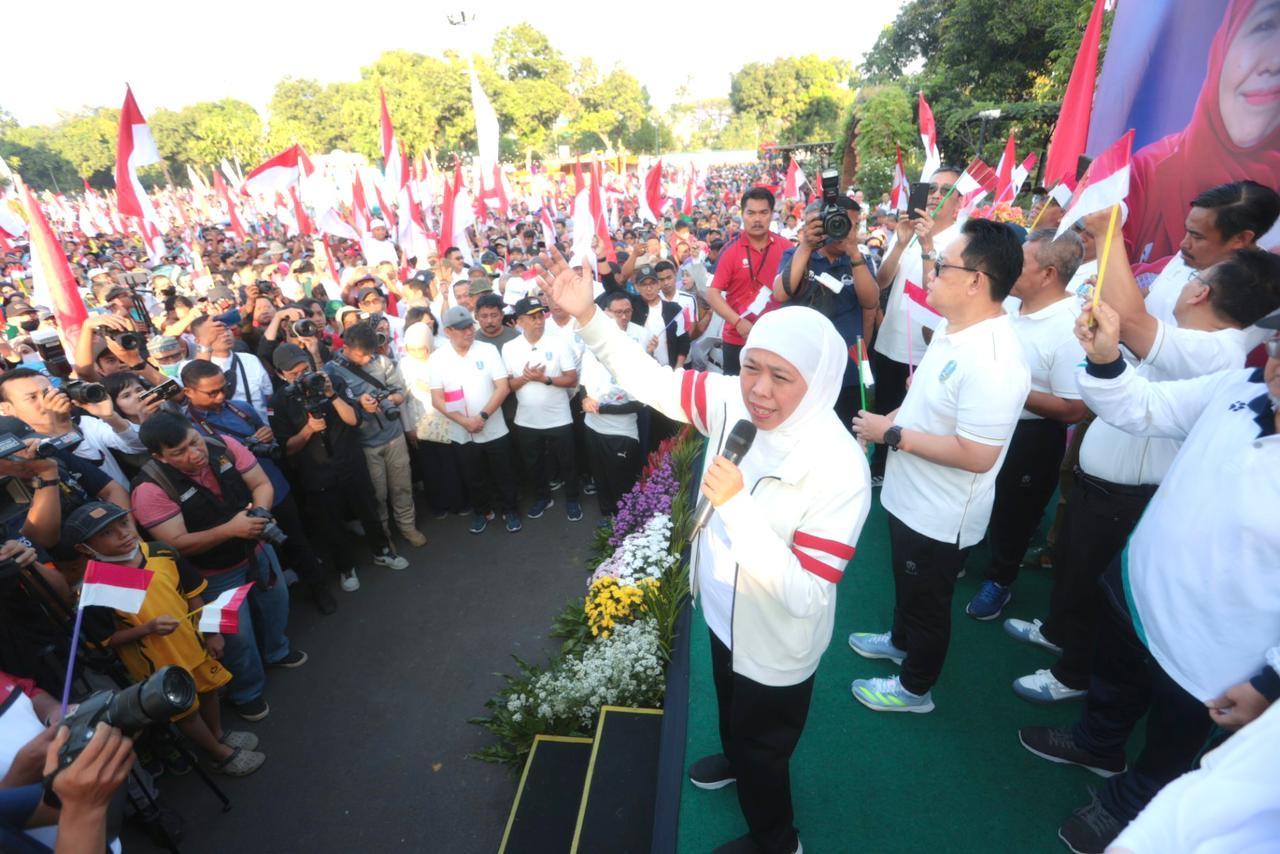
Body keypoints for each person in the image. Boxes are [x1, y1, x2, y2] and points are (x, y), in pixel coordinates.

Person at [543, 249, 871, 854]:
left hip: (775, 640)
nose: (759, 392)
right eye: (752, 367)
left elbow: (805, 595)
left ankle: (778, 840)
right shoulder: (733, 400)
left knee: (766, 746)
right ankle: (739, 757)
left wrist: (737, 508)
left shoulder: (839, 466)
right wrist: (588, 315)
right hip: (722, 611)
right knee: (731, 708)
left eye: (782, 376)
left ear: (820, 379)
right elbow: (651, 381)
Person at [1018, 301, 1280, 854]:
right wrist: (1107, 358)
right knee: (1113, 684)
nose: (1277, 364)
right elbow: (1144, 407)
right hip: (1141, 593)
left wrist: (1270, 683)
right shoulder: (1241, 385)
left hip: (1217, 653)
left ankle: (1131, 803)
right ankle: (1097, 742)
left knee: (1174, 742)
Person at [1006, 240, 1280, 703]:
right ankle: (1062, 639)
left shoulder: (1215, 354)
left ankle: (1072, 675)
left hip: (1126, 499)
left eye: (1193, 276)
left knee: (1098, 594)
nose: (1184, 276)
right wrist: (1105, 357)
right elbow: (1134, 402)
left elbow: (1137, 362)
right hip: (1106, 491)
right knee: (1077, 576)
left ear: (1199, 294)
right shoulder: (1214, 362)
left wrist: (1103, 231)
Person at [849, 218, 1030, 712]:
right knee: (909, 586)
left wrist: (893, 435)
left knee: (929, 603)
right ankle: (900, 641)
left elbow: (978, 454)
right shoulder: (957, 332)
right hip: (913, 499)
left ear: (977, 280)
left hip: (940, 514)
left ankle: (914, 688)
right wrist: (895, 419)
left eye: (942, 265)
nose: (931, 273)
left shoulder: (994, 359)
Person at [63, 502, 265, 776]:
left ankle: (218, 734)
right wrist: (147, 629)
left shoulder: (161, 552)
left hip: (193, 643)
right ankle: (219, 755)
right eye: (107, 533)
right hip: (157, 663)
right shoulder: (95, 586)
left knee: (208, 689)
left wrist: (211, 632)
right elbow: (104, 640)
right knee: (184, 711)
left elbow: (194, 591)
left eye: (123, 523)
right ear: (85, 548)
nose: (123, 533)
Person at [131, 412, 306, 722]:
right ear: (160, 457)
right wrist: (230, 530)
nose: (195, 453)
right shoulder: (150, 489)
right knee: (238, 641)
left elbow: (261, 483)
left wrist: (261, 513)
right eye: (180, 452)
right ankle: (246, 692)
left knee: (276, 603)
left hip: (257, 549)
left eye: (194, 442)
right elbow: (175, 544)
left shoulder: (222, 445)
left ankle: (277, 651)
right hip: (212, 577)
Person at [964, 230, 1087, 621]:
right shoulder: (1011, 306)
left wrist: (1010, 388)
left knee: (1016, 513)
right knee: (976, 493)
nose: (1010, 269)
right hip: (987, 421)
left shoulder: (1072, 327)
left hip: (1032, 436)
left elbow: (1073, 409)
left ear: (1049, 274)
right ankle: (965, 554)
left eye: (1022, 263)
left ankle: (1000, 580)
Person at [1124, 0, 1280, 271]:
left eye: (1196, 236)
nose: (1274, 63)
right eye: (1264, 26)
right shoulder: (1147, 169)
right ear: (1223, 46)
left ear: (1244, 241)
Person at [179, 358, 336, 614]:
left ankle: (319, 588)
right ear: (188, 392)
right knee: (265, 552)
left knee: (297, 541)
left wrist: (265, 435)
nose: (221, 396)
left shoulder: (241, 408)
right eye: (212, 392)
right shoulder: (188, 429)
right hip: (239, 502)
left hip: (275, 486)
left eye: (224, 388)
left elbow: (270, 436)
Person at [269, 343, 408, 594]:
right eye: (294, 374)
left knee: (368, 508)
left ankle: (382, 551)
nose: (303, 376)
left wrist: (332, 395)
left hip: (349, 460)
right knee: (330, 523)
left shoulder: (331, 380)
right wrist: (309, 429)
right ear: (281, 375)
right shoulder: (280, 401)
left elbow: (353, 420)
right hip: (315, 471)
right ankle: (346, 567)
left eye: (305, 369)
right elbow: (286, 448)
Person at [869, 166, 964, 482]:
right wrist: (900, 243)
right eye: (932, 188)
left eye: (946, 190)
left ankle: (904, 476)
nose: (936, 195)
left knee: (914, 421)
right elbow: (881, 282)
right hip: (889, 343)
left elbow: (935, 297)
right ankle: (879, 469)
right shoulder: (908, 234)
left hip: (925, 351)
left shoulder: (960, 242)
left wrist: (927, 248)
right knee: (884, 410)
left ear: (959, 202)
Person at [771, 204, 881, 428]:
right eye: (839, 223)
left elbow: (871, 302)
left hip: (846, 371)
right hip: (802, 368)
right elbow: (780, 293)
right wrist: (806, 246)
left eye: (853, 225)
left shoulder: (861, 259)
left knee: (845, 434)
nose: (843, 230)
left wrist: (854, 254)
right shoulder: (797, 254)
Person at [325, 322, 426, 548]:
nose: (366, 360)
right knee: (376, 495)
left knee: (402, 487)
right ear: (347, 346)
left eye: (370, 354)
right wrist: (359, 404)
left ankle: (408, 526)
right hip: (365, 444)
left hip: (394, 436)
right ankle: (384, 536)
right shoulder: (332, 371)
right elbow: (335, 407)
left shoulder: (382, 362)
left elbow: (400, 393)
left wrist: (389, 400)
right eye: (362, 355)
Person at [429, 306, 520, 534]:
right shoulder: (438, 357)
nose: (469, 332)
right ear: (449, 331)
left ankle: (510, 510)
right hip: (461, 430)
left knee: (503, 473)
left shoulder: (487, 350)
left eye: (470, 326)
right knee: (473, 476)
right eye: (461, 329)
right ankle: (482, 511)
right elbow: (437, 399)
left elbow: (502, 387)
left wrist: (482, 416)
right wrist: (464, 421)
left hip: (494, 426)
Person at [501, 297, 582, 522]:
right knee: (533, 464)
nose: (539, 321)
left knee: (568, 462)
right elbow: (508, 385)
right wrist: (526, 378)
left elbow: (571, 379)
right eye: (533, 317)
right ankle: (543, 497)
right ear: (519, 321)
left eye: (541, 316)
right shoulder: (510, 348)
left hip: (559, 416)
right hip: (526, 420)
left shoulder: (558, 343)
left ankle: (573, 499)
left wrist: (545, 379)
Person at [0, 368, 148, 490]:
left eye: (47, 393)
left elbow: (138, 445)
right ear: (6, 408)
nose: (46, 401)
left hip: (133, 506)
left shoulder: (83, 423)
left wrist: (111, 417)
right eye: (32, 397)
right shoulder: (24, 449)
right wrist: (62, 425)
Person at [704, 187, 787, 374]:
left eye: (763, 212)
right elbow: (712, 293)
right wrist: (738, 322)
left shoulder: (786, 248)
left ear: (772, 214)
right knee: (738, 397)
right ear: (742, 215)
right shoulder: (729, 250)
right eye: (751, 213)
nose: (757, 219)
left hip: (777, 338)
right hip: (737, 339)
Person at [580, 294, 646, 519]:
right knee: (601, 478)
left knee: (622, 483)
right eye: (618, 312)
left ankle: (626, 526)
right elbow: (583, 383)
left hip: (621, 432)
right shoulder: (591, 348)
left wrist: (601, 409)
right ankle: (607, 517)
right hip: (592, 427)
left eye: (627, 311)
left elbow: (639, 404)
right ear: (605, 314)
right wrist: (583, 400)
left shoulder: (634, 352)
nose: (624, 317)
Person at [399, 323, 469, 518]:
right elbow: (401, 401)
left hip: (449, 420)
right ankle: (439, 505)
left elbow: (456, 388)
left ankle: (459, 502)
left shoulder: (442, 358)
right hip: (421, 424)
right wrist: (408, 428)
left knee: (451, 465)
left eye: (420, 348)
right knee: (430, 467)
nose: (416, 353)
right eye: (411, 349)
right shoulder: (404, 364)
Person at [184, 317, 274, 425]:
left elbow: (268, 396)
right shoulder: (188, 369)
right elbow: (199, 372)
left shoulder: (250, 359)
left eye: (226, 329)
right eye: (216, 332)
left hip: (262, 430)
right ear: (198, 341)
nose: (225, 334)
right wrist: (205, 344)